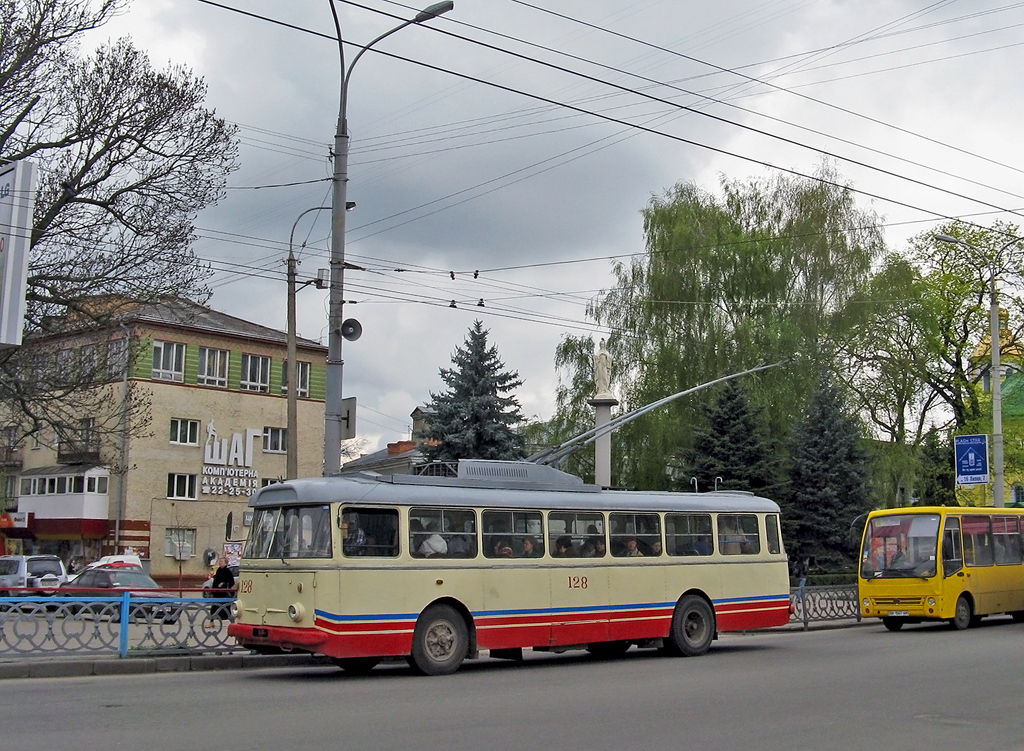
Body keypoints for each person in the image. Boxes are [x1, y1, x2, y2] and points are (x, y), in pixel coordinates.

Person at [208, 557, 235, 626]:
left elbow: (231, 581)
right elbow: (216, 581)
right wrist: (213, 590)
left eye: (221, 561)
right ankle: (211, 622)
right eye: (219, 561)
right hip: (217, 593)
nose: (220, 562)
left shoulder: (227, 571)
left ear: (225, 563)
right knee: (214, 608)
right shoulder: (219, 570)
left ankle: (232, 622)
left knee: (227, 609)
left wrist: (224, 583)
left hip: (224, 593)